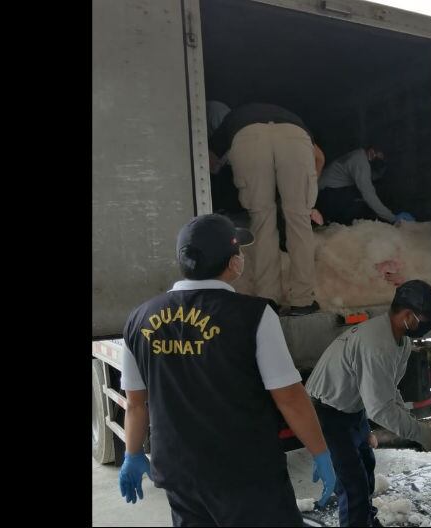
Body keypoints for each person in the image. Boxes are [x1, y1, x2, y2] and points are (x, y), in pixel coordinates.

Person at [117, 213, 337, 525]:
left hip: (179, 474)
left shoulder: (139, 318)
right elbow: (289, 397)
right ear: (233, 263)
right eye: (240, 253)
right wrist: (321, 452)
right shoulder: (255, 316)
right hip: (246, 475)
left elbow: (136, 403)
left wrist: (133, 453)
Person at [305, 280, 431, 526]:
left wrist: (417, 426)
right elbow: (381, 408)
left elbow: (388, 392)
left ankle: (366, 521)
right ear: (409, 315)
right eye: (427, 320)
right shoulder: (377, 345)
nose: (429, 327)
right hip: (326, 412)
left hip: (352, 408)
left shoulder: (401, 341)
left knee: (366, 468)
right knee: (352, 484)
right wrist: (422, 435)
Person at [209, 103, 321, 315]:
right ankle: (303, 301)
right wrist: (307, 197)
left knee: (262, 220)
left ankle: (267, 299)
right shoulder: (292, 118)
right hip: (295, 139)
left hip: (248, 138)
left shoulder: (234, 118)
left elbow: (208, 159)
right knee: (299, 220)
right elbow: (320, 158)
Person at [315, 146, 414, 226]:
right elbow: (369, 195)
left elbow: (369, 177)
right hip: (326, 192)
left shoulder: (360, 155)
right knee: (361, 210)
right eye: (381, 156)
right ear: (372, 152)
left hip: (333, 190)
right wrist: (393, 218)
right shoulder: (360, 162)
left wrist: (382, 171)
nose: (382, 159)